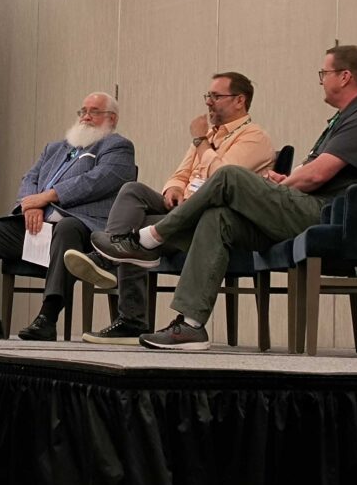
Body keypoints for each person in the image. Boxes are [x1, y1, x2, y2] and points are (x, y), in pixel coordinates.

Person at [92, 45, 357, 350]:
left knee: (229, 176)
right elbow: (312, 168)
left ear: (345, 77)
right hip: (310, 207)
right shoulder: (346, 117)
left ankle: (148, 240)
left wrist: (285, 185)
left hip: (326, 215)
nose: (320, 80)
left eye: (324, 73)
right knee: (218, 217)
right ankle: (191, 326)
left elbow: (318, 174)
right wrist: (283, 180)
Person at [65, 72, 275, 344]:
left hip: (213, 221)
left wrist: (201, 142)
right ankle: (120, 274)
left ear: (239, 101)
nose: (209, 102)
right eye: (207, 96)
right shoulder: (208, 134)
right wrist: (173, 188)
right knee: (133, 192)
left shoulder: (254, 137)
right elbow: (180, 173)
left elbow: (224, 179)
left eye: (216, 96)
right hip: (181, 211)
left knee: (135, 234)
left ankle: (118, 284)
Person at [0, 92, 136, 341]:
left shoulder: (118, 146)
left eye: (94, 112)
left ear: (112, 118)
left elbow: (99, 181)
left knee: (67, 228)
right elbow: (30, 178)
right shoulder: (55, 148)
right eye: (83, 111)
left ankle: (48, 316)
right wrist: (30, 205)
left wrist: (48, 197)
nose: (86, 116)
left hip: (82, 231)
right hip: (37, 225)